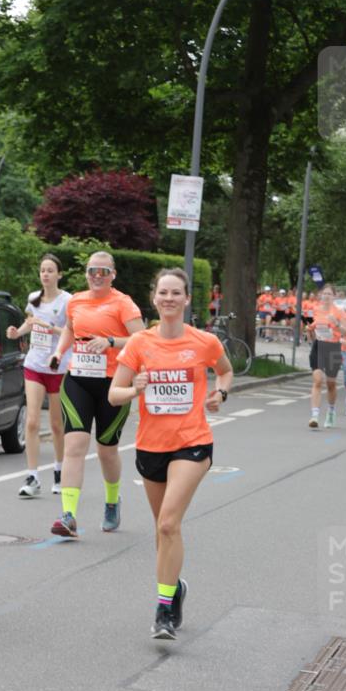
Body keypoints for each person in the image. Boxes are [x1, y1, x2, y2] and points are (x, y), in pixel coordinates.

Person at [109, 268, 233, 640]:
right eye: (163, 292)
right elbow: (114, 393)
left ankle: (164, 610)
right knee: (163, 531)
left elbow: (225, 373)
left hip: (192, 443)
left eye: (175, 293)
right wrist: (135, 389)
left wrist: (220, 394)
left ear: (186, 299)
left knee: (168, 523)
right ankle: (174, 587)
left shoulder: (205, 341)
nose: (169, 299)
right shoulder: (139, 344)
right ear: (154, 298)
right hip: (150, 447)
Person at [48, 251, 145, 537]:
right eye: (93, 271)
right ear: (86, 273)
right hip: (78, 379)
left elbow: (141, 338)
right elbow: (68, 329)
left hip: (113, 384)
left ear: (113, 274)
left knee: (106, 450)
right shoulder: (75, 300)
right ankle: (68, 515)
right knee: (75, 445)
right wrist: (58, 352)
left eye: (104, 271)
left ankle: (112, 501)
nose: (97, 276)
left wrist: (111, 342)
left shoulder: (123, 303)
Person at [6, 254, 71, 498]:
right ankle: (32, 476)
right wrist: (16, 333)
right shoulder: (34, 298)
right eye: (42, 270)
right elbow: (30, 324)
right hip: (34, 365)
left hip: (58, 366)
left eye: (50, 270)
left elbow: (70, 331)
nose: (45, 274)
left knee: (56, 424)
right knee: (32, 421)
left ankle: (59, 471)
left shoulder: (67, 301)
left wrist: (49, 327)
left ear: (59, 274)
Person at [307, 283, 346, 429]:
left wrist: (336, 324)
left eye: (329, 294)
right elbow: (314, 329)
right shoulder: (316, 310)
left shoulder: (340, 312)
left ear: (334, 296)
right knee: (317, 380)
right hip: (319, 346)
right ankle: (314, 415)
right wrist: (309, 331)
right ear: (320, 295)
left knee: (331, 383)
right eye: (324, 293)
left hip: (333, 348)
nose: (326, 296)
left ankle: (331, 411)